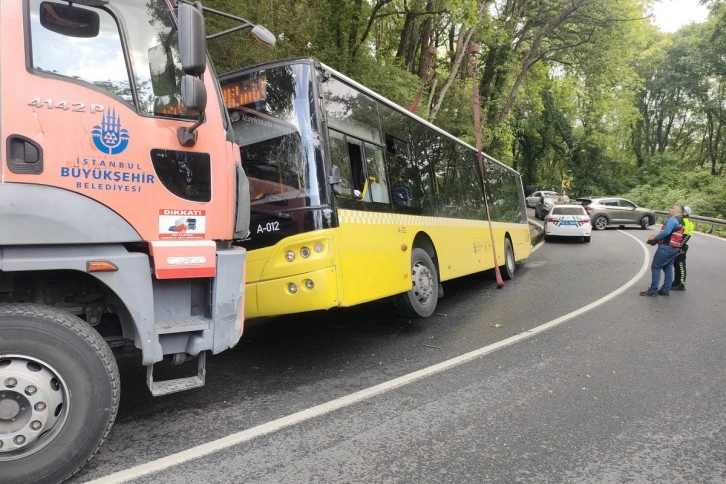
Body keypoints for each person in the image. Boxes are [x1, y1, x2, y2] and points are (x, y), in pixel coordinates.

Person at [640, 204, 685, 297]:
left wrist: (655, 238)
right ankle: (665, 290)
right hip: (674, 248)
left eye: (673, 208)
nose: (670, 209)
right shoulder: (682, 221)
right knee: (667, 268)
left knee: (656, 267)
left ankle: (653, 290)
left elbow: (667, 232)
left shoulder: (672, 219)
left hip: (666, 247)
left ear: (678, 211)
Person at [671, 206, 694, 291]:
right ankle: (676, 281)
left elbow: (687, 236)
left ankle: (681, 284)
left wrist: (681, 246)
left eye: (682, 211)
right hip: (677, 245)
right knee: (676, 264)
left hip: (682, 246)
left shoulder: (688, 222)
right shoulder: (679, 220)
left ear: (685, 213)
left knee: (681, 264)